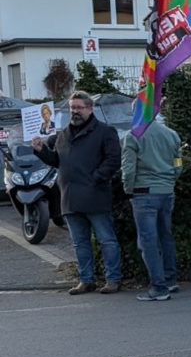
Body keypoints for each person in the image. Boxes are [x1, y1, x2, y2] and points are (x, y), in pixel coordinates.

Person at [32, 91, 122, 295]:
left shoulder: (105, 132)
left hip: (95, 196)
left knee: (106, 239)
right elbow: (57, 161)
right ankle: (86, 280)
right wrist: (40, 151)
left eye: (79, 108)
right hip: (70, 198)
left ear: (90, 109)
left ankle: (113, 279)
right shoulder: (63, 135)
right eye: (72, 108)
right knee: (80, 243)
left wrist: (95, 179)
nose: (75, 112)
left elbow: (113, 160)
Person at [121, 109, 182, 301]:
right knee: (166, 237)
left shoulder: (132, 136)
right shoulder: (172, 134)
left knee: (148, 242)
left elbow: (129, 170)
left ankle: (159, 287)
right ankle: (170, 279)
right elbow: (178, 165)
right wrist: (170, 182)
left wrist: (128, 189)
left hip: (143, 193)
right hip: (166, 192)